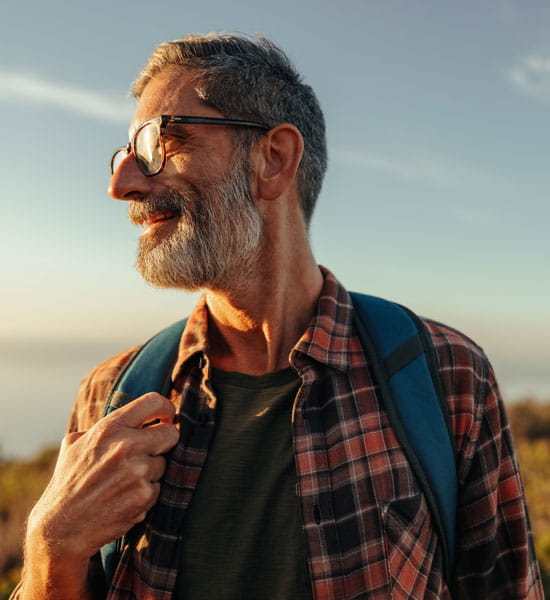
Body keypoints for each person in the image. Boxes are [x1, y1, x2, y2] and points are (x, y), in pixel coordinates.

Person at [13, 33, 543, 600]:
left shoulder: (446, 376)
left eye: (157, 143)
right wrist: (51, 547)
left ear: (274, 159)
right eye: (125, 156)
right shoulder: (110, 397)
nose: (123, 184)